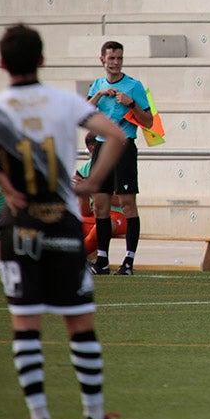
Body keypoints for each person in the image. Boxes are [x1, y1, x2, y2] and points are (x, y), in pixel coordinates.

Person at [0, 23, 129, 419]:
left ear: (2, 63)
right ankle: (94, 416)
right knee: (79, 323)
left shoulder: (1, 108)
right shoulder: (63, 102)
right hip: (63, 221)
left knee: (25, 325)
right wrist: (91, 183)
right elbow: (115, 135)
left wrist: (7, 188)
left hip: (20, 225)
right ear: (41, 59)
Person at [86, 40, 152, 276]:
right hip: (102, 146)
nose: (115, 62)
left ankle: (128, 261)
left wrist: (131, 103)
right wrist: (99, 95)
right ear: (102, 60)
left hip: (123, 147)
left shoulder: (133, 86)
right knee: (100, 204)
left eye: (119, 58)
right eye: (111, 58)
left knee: (126, 204)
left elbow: (148, 121)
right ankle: (102, 260)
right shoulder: (97, 85)